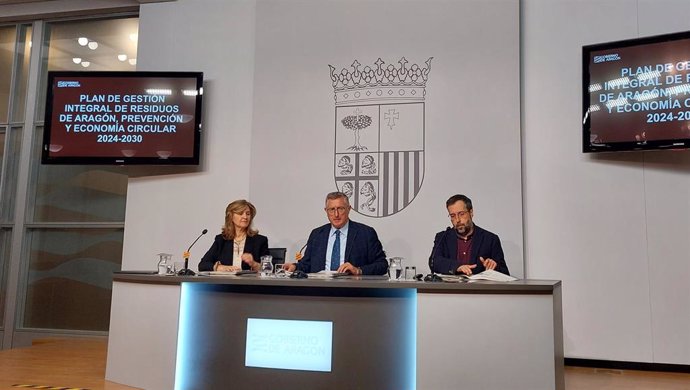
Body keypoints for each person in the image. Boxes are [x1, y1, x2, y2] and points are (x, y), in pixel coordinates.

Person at [284, 191, 388, 275]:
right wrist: (295, 267)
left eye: (340, 209)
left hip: (353, 291)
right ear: (326, 211)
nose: (336, 214)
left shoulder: (365, 233)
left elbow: (382, 265)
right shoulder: (317, 234)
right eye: (332, 209)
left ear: (349, 209)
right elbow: (306, 264)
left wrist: (358, 270)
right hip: (319, 291)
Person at [429, 194, 510, 275]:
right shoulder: (443, 237)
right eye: (453, 216)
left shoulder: (490, 239)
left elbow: (505, 273)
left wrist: (494, 266)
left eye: (461, 214)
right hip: (452, 287)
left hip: (478, 287)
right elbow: (434, 262)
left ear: (471, 213)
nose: (457, 220)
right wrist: (457, 267)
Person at [198, 199, 269, 272]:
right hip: (226, 282)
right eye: (241, 213)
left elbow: (268, 269)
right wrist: (220, 267)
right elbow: (203, 265)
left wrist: (253, 264)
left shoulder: (260, 241)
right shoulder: (221, 240)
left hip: (249, 282)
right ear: (231, 216)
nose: (245, 217)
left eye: (248, 214)